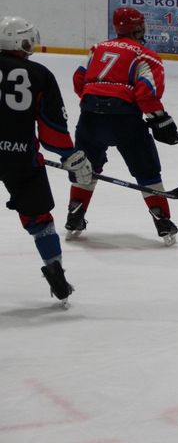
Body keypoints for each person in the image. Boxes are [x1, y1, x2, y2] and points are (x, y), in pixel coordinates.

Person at [65, 7, 178, 245]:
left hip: (89, 118)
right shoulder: (146, 55)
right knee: (147, 170)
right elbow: (146, 94)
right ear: (139, 27)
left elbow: (79, 81)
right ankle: (162, 220)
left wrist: (96, 103)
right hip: (125, 122)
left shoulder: (97, 49)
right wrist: (161, 120)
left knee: (86, 167)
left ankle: (75, 214)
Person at [0, 16, 93, 303]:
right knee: (41, 220)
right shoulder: (39, 74)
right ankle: (55, 271)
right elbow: (52, 129)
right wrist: (71, 156)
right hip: (20, 159)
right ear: (22, 42)